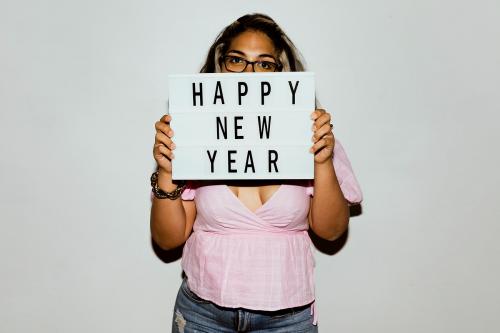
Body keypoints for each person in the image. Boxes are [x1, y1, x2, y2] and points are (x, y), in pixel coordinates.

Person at [150, 13, 362, 332]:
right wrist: (167, 171)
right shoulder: (194, 134)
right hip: (202, 314)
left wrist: (321, 162)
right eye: (238, 60)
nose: (250, 73)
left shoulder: (311, 135)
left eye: (264, 63)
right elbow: (168, 240)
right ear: (222, 64)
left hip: (288, 318)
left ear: (280, 72)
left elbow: (331, 231)